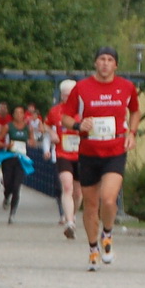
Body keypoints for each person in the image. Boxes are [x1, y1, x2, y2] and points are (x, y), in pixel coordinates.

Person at [61, 46, 141, 270]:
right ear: (95, 63)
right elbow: (65, 117)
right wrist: (78, 124)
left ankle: (107, 233)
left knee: (108, 198)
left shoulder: (126, 87)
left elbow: (135, 111)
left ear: (116, 65)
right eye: (101, 59)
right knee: (90, 205)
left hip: (115, 148)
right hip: (89, 150)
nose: (105, 63)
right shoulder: (82, 87)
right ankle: (93, 248)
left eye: (109, 60)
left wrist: (132, 133)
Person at [50, 79, 80, 237]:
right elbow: (45, 124)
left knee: (78, 193)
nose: (67, 98)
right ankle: (69, 222)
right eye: (65, 95)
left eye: (71, 95)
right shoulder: (56, 111)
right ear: (61, 95)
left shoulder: (83, 111)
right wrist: (51, 132)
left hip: (81, 155)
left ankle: (73, 215)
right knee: (67, 187)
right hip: (63, 154)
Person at [0, 105, 33, 223]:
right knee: (8, 183)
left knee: (16, 187)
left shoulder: (28, 128)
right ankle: (6, 196)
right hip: (9, 158)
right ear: (13, 115)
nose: (18, 115)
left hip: (21, 159)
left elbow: (33, 141)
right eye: (16, 113)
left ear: (24, 115)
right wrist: (6, 146)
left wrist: (31, 142)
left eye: (21, 113)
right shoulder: (8, 127)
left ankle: (12, 214)